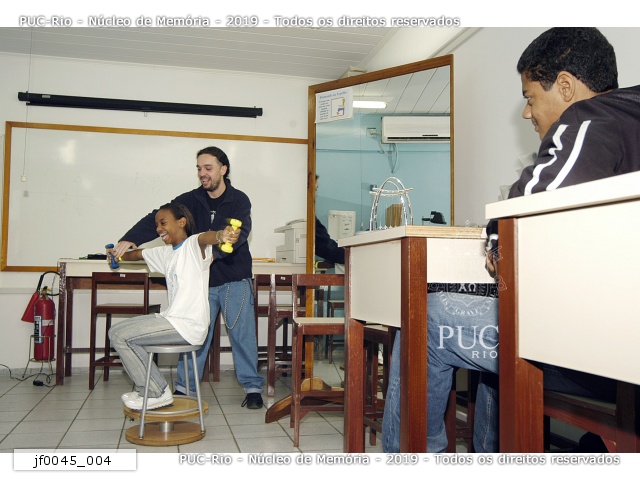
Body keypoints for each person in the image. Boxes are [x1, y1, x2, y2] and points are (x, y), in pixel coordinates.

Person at [383, 27, 640, 452]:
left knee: (426, 316)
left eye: (530, 97)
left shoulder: (589, 118)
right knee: (506, 316)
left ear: (565, 86)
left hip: (604, 355)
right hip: (620, 347)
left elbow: (523, 216)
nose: (526, 112)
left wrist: (495, 236)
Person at [111, 146, 265, 409]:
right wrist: (130, 238)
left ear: (223, 169)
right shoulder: (189, 200)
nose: (203, 173)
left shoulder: (239, 200)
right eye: (199, 168)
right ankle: (185, 387)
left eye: (208, 168)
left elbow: (238, 233)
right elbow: (158, 217)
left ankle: (252, 387)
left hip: (234, 278)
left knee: (242, 335)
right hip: (201, 283)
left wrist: (213, 253)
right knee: (194, 335)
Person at [108, 202, 238, 410]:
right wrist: (117, 254)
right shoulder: (166, 253)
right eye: (157, 225)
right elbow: (137, 255)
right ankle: (148, 389)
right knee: (116, 332)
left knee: (120, 336)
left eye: (163, 223)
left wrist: (221, 235)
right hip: (171, 320)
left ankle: (156, 392)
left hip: (189, 325)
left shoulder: (193, 246)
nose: (158, 229)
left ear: (181, 222)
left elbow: (207, 238)